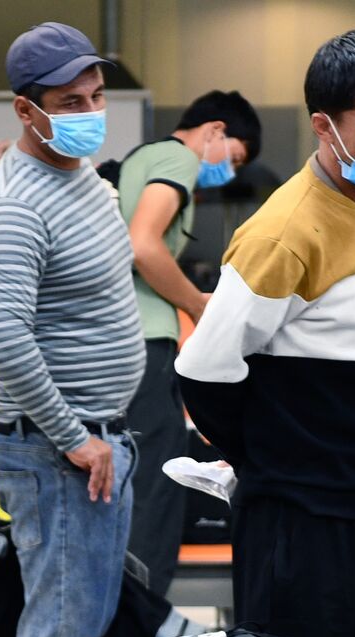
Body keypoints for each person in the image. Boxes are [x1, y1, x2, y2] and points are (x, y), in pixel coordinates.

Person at [176, 29, 355, 637]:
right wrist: (265, 461)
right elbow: (202, 371)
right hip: (295, 515)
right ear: (325, 126)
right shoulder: (283, 231)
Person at [0, 22, 145, 637]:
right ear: (24, 110)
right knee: (62, 631)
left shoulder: (85, 176)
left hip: (98, 440)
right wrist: (76, 437)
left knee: (76, 623)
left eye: (97, 95)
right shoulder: (16, 204)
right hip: (61, 452)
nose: (89, 110)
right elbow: (3, 338)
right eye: (70, 100)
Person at [118, 90, 261, 595]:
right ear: (215, 131)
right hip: (142, 343)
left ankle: (124, 608)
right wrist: (198, 306)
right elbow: (144, 243)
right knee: (157, 486)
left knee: (129, 480)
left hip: (121, 340)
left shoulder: (143, 158)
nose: (228, 169)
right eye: (234, 157)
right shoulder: (178, 157)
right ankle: (143, 612)